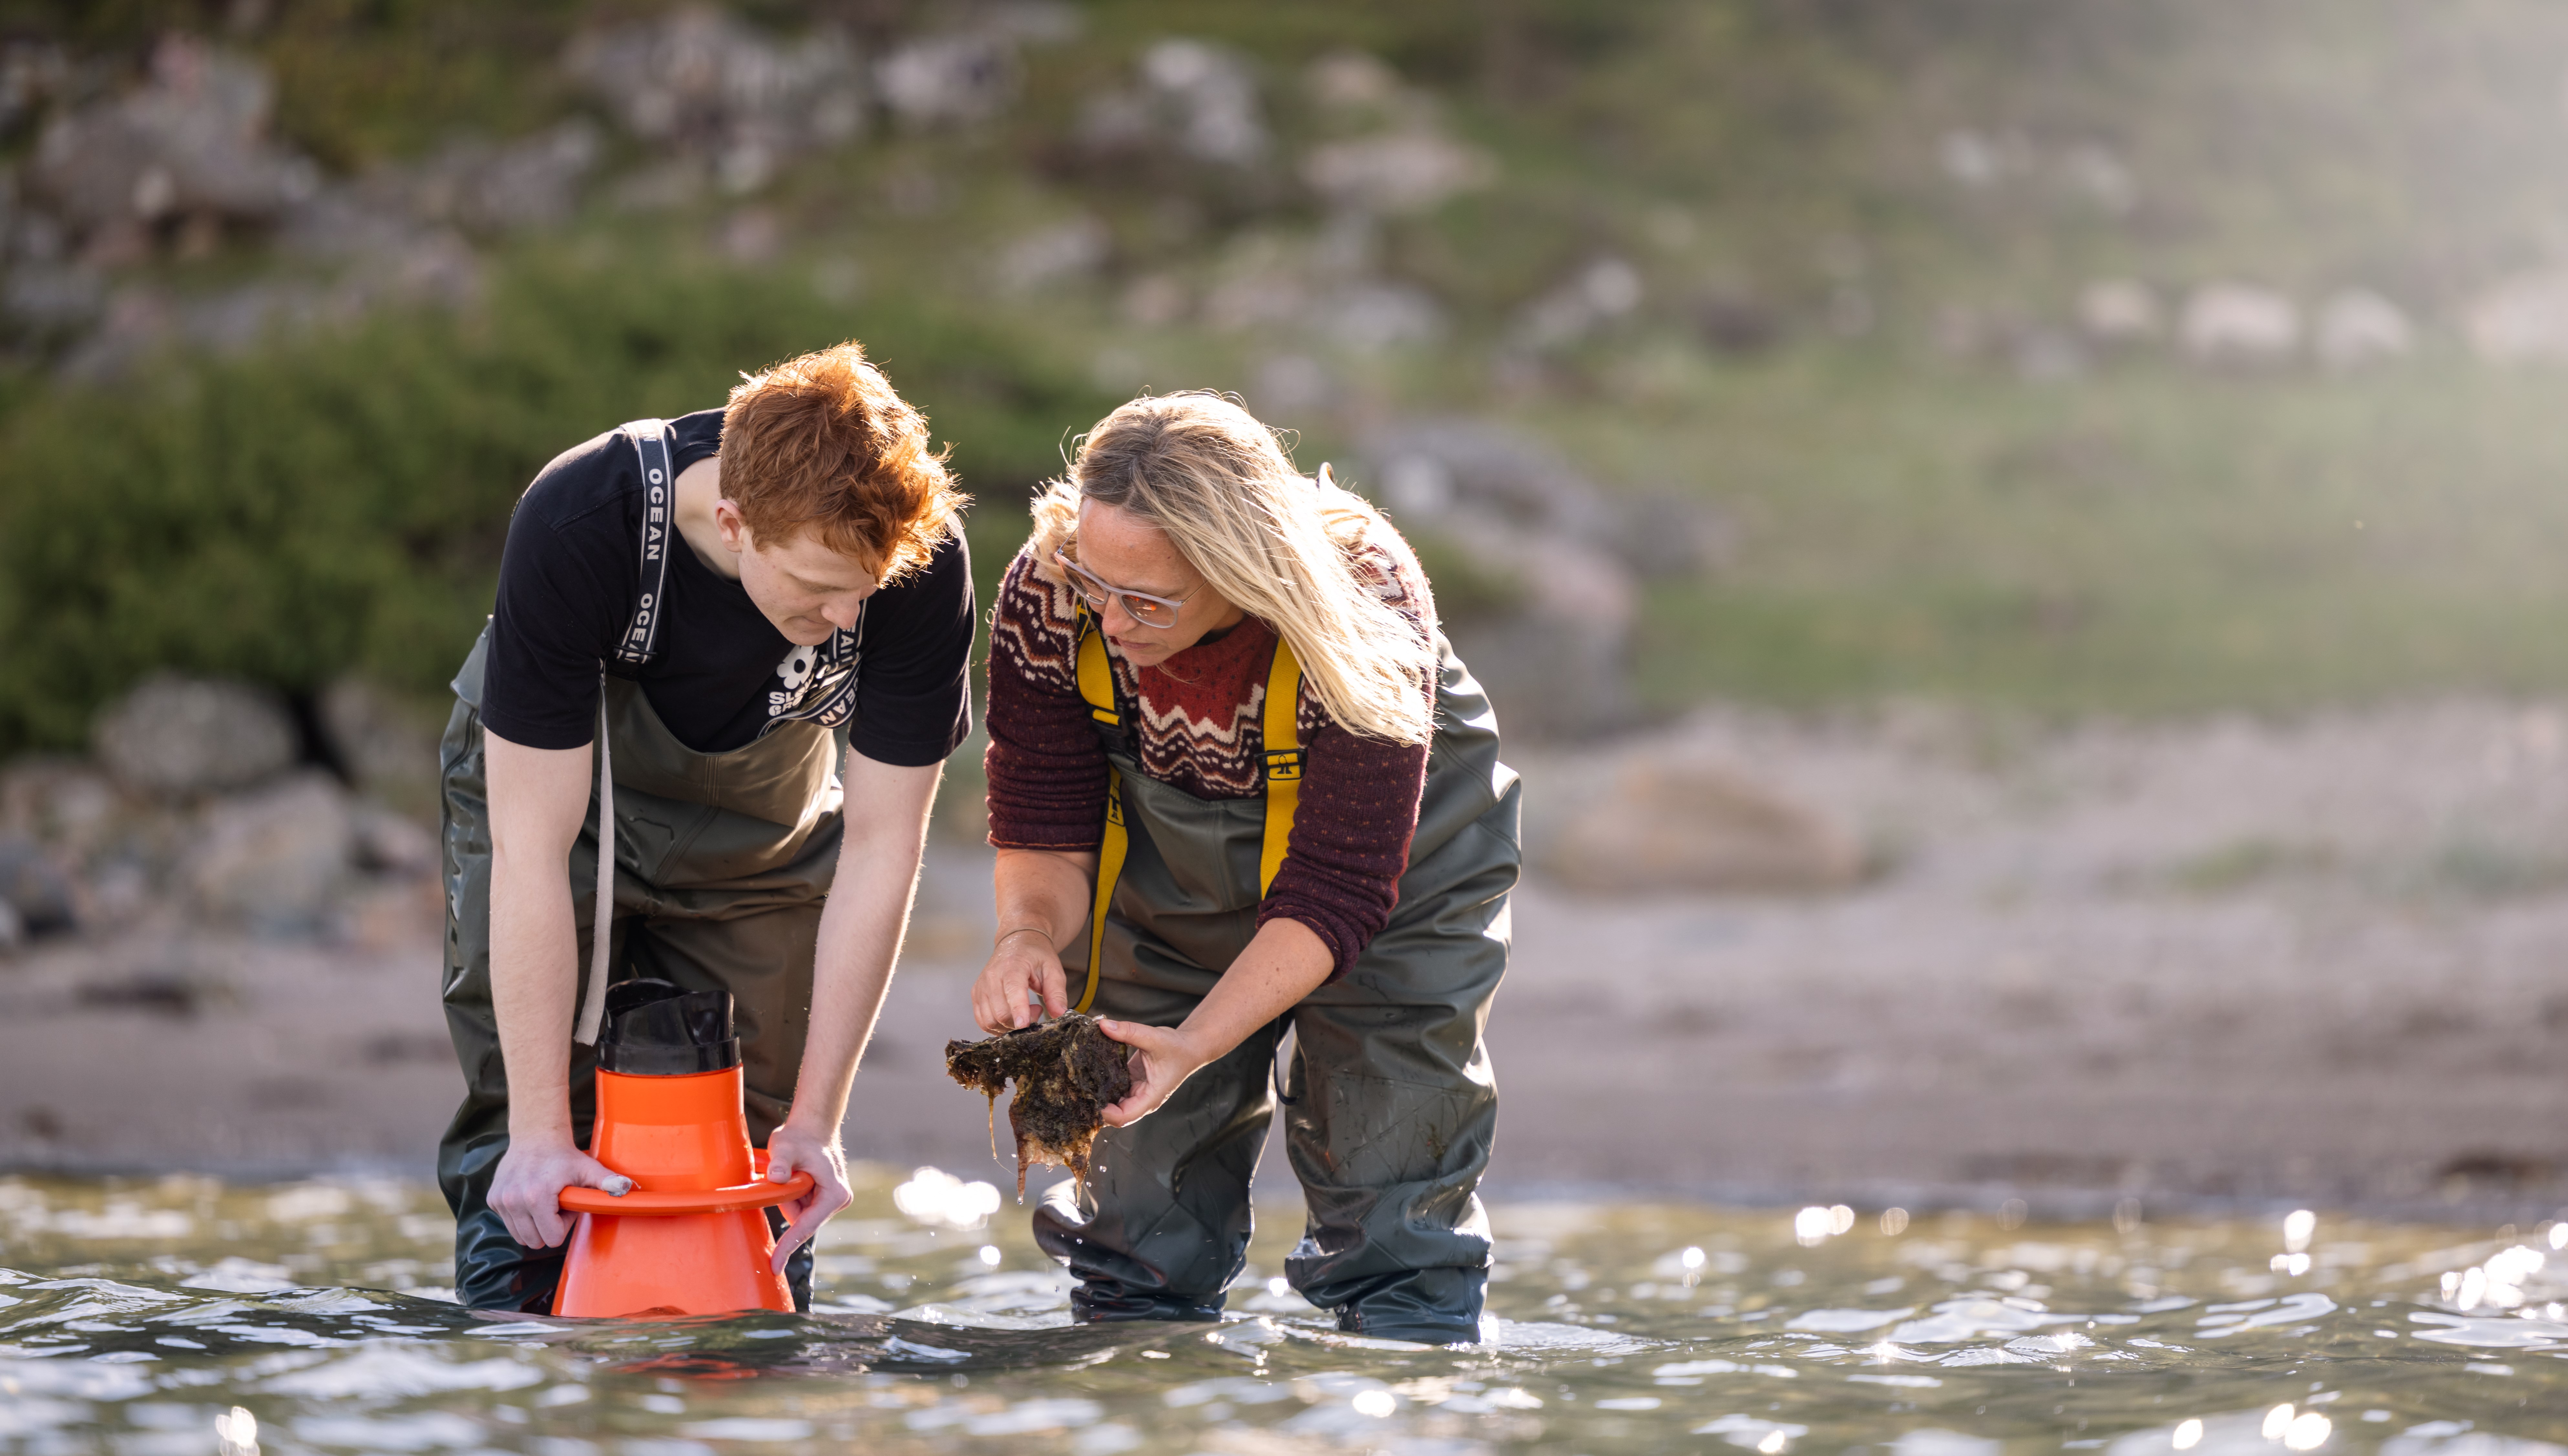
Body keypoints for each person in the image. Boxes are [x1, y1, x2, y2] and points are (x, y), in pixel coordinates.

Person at [436, 340, 975, 1312]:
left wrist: (820, 1120)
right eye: (821, 586)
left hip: (762, 838)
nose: (853, 609)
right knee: (531, 1165)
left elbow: (884, 847)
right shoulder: (584, 518)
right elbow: (530, 854)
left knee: (757, 1168)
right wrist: (539, 1136)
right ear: (733, 524)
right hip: (563, 812)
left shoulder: (914, 567)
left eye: (871, 584)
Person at [972, 391, 1520, 1345]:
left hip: (1393, 871)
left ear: (1243, 570)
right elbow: (1045, 818)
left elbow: (1340, 889)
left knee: (1393, 1192)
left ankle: (1403, 1383)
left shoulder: (1368, 605)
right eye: (1099, 583)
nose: (1113, 618)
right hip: (1165, 862)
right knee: (1140, 1231)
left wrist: (1199, 1043)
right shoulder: (1051, 593)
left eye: (1148, 600)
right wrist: (1025, 933)